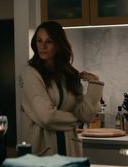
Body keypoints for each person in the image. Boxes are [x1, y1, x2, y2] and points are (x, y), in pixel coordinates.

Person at [19, 21, 104, 157]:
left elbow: (87, 115)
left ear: (59, 45)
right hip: (42, 154)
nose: (43, 46)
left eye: (49, 41)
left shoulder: (69, 74)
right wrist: (77, 120)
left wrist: (94, 83)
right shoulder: (30, 73)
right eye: (39, 41)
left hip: (71, 152)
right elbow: (47, 117)